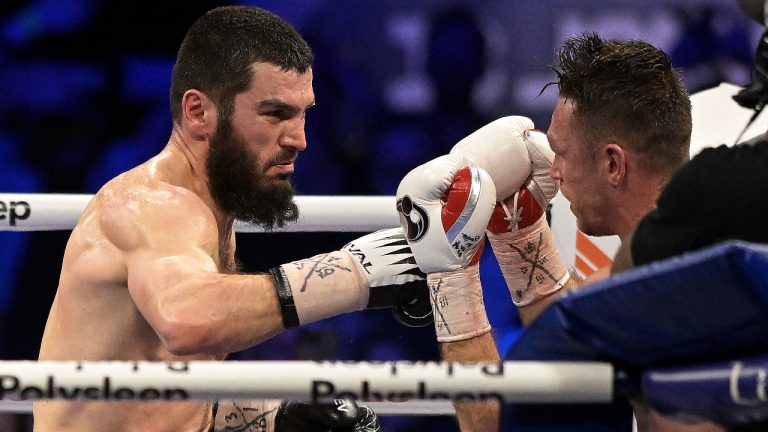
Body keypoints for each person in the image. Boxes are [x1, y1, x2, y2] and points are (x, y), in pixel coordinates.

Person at [32, 6, 437, 431]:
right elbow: (186, 321)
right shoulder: (151, 206)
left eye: (304, 114)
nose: (299, 139)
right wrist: (354, 275)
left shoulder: (208, 214)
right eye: (275, 113)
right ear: (199, 113)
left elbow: (159, 393)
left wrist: (271, 417)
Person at [397, 32, 693, 432]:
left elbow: (495, 427)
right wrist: (522, 229)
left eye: (563, 153)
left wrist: (451, 272)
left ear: (612, 165)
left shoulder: (644, 294)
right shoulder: (685, 255)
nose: (554, 171)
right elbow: (571, 334)